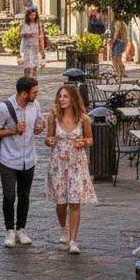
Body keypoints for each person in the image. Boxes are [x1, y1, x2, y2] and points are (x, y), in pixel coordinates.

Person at [0, 76, 45, 247]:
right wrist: (12, 130)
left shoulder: (36, 105)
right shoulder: (4, 108)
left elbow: (39, 123)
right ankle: (9, 230)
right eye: (34, 92)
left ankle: (21, 229)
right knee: (9, 195)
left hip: (29, 158)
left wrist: (39, 128)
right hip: (8, 158)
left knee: (24, 196)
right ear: (24, 93)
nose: (37, 94)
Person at [43, 84, 97, 254]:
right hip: (59, 164)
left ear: (73, 98)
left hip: (77, 164)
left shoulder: (83, 119)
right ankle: (64, 227)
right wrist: (49, 141)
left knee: (75, 202)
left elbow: (90, 140)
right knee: (61, 203)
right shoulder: (53, 117)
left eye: (65, 96)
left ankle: (73, 240)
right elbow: (48, 138)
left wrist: (83, 142)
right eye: (60, 96)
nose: (62, 99)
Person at [19, 7, 43, 78]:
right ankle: (26, 78)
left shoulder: (37, 23)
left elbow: (40, 34)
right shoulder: (24, 23)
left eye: (34, 15)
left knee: (35, 62)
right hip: (26, 45)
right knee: (27, 62)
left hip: (34, 45)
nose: (33, 17)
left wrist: (41, 47)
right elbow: (21, 34)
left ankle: (34, 78)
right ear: (28, 15)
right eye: (31, 15)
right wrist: (29, 34)